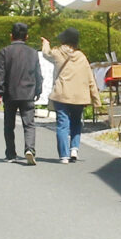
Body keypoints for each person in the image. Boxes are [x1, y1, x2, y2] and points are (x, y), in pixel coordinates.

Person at [46, 27, 97, 163]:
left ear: (64, 40)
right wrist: (96, 99)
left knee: (62, 124)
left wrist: (45, 44)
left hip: (61, 95)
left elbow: (46, 54)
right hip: (79, 97)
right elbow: (90, 79)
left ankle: (64, 155)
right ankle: (74, 148)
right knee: (76, 122)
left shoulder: (57, 53)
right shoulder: (82, 57)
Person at [0, 22, 44, 164]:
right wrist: (38, 90)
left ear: (11, 36)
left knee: (9, 125)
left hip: (10, 93)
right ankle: (30, 149)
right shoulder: (33, 53)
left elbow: (0, 73)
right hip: (28, 93)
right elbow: (37, 74)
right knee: (29, 124)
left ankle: (10, 154)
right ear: (26, 37)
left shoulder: (5, 52)